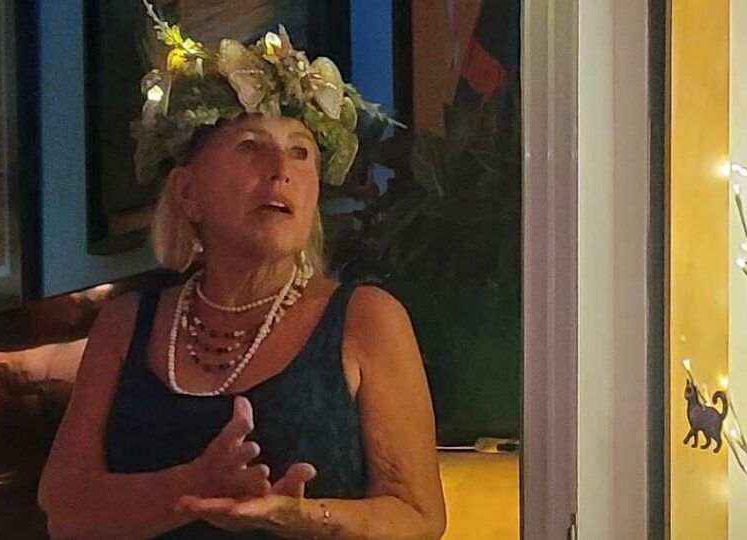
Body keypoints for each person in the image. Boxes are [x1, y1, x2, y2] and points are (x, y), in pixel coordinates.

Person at [38, 9, 446, 540]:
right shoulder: (124, 324)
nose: (281, 170)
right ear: (188, 192)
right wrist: (191, 486)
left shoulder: (368, 318)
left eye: (300, 153)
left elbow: (419, 517)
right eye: (251, 146)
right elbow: (63, 508)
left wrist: (305, 518)